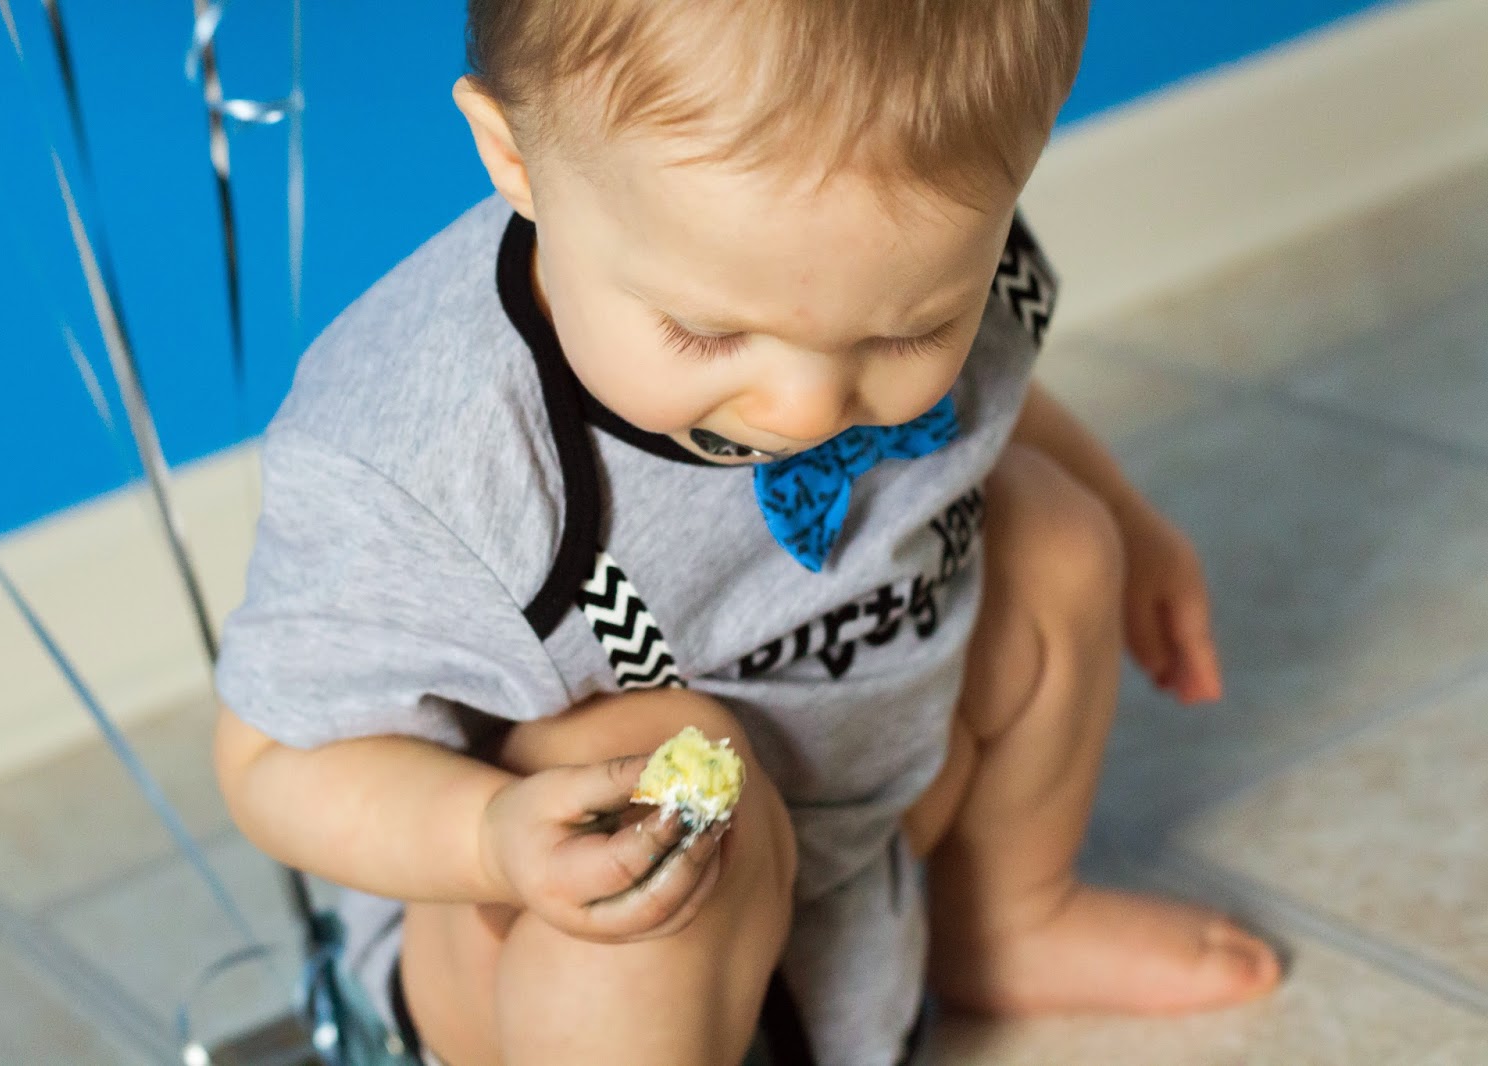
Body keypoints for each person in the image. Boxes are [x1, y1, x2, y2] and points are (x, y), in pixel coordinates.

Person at [212, 2, 1282, 1064]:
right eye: (707, 331)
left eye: (907, 332)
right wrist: (488, 836)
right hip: (562, 954)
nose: (808, 409)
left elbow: (995, 406)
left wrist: (1128, 524)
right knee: (664, 763)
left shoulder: (914, 224)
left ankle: (1007, 921)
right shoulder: (429, 457)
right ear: (516, 159)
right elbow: (268, 760)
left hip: (849, 831)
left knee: (1055, 534)